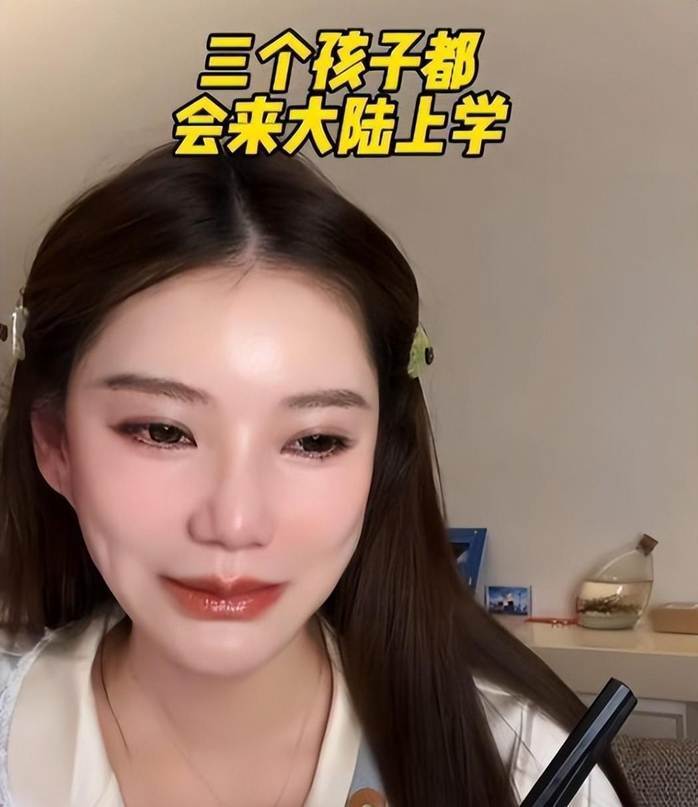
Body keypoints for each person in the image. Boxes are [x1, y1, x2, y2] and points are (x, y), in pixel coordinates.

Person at [0, 143, 637, 807]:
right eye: (163, 431)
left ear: (379, 457)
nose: (235, 522)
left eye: (314, 440)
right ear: (55, 442)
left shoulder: (522, 763)